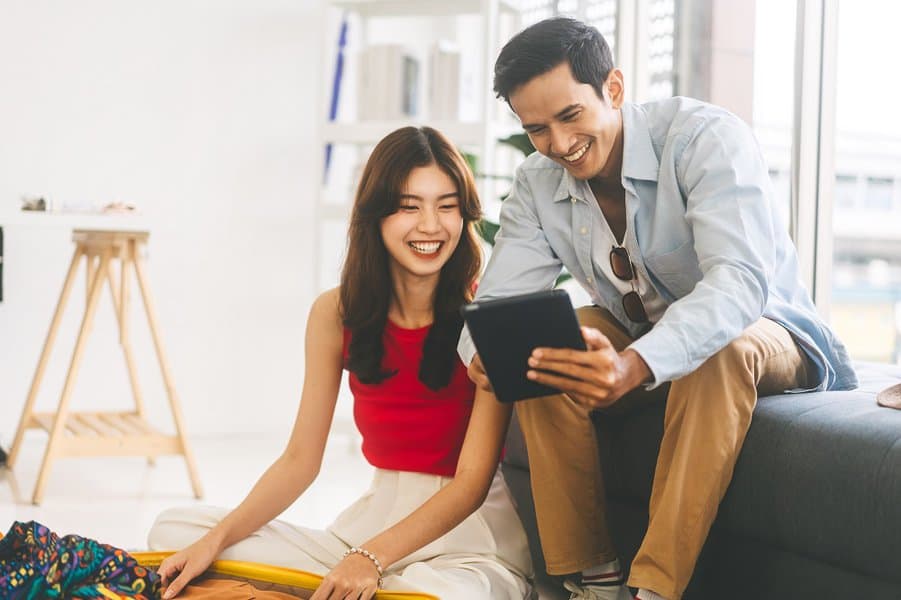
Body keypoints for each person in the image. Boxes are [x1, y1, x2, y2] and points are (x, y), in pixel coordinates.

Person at [458, 17, 857, 600]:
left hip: (765, 330)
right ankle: (591, 577)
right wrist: (486, 356)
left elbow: (739, 285)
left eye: (571, 116)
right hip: (643, 331)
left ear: (613, 89)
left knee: (719, 348)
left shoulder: (704, 138)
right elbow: (497, 302)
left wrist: (635, 364)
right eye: (537, 129)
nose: (559, 144)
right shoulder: (538, 181)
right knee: (540, 348)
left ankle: (654, 588)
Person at [148, 126, 533, 600]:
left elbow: (472, 484)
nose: (431, 225)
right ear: (375, 215)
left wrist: (370, 558)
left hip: (469, 543)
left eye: (447, 205)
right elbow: (299, 461)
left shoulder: (491, 314)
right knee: (176, 531)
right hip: (365, 529)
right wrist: (215, 542)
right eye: (409, 206)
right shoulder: (335, 314)